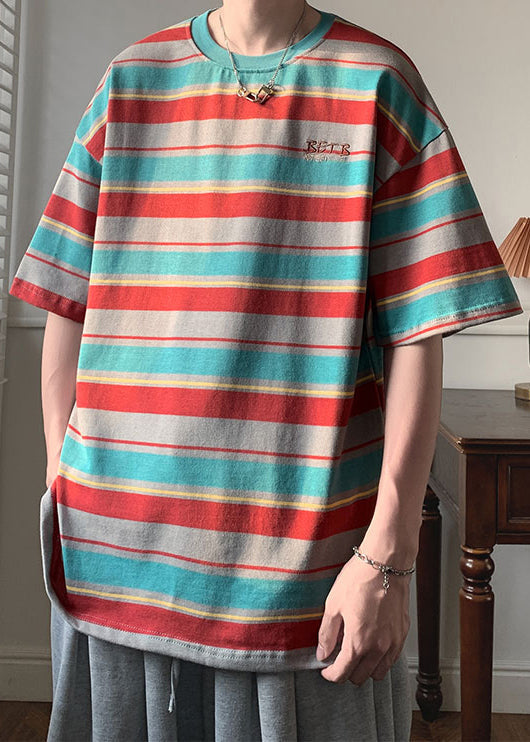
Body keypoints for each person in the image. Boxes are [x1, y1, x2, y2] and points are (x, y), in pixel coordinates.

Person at [9, 1, 523, 740]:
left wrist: (389, 556)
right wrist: (61, 482)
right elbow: (65, 294)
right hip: (114, 555)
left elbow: (419, 331)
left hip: (307, 579)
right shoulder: (130, 79)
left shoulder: (379, 81)